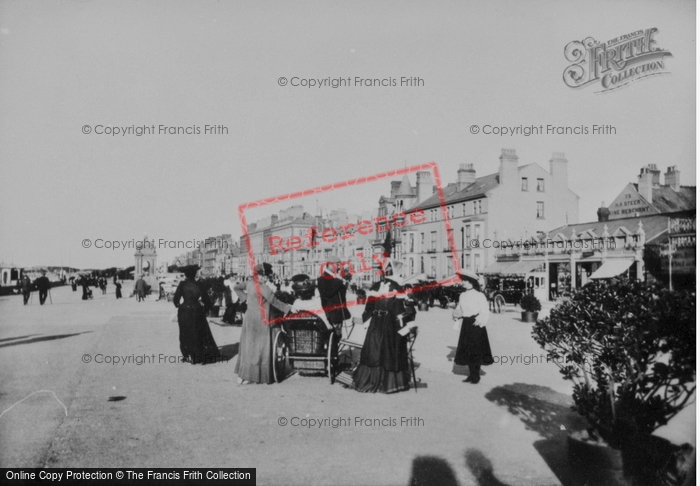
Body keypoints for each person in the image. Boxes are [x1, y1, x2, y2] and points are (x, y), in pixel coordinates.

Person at [352, 259, 416, 394]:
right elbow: (401, 311)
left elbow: (369, 306)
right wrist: (406, 326)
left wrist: (366, 319)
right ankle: (388, 383)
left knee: (375, 349)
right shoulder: (398, 287)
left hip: (377, 322)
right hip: (389, 324)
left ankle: (371, 381)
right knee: (388, 351)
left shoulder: (378, 285)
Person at [234, 263, 292, 385]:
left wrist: (245, 299)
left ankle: (244, 375)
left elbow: (236, 287)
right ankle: (255, 376)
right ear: (262, 276)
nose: (266, 278)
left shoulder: (249, 284)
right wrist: (288, 309)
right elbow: (275, 301)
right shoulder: (264, 288)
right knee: (261, 348)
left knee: (249, 346)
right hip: (262, 320)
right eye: (266, 276)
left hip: (250, 319)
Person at [172, 265, 221, 364]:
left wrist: (179, 305)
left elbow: (176, 298)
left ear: (186, 274)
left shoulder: (182, 284)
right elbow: (206, 300)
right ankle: (198, 355)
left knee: (184, 333)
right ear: (195, 274)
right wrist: (206, 310)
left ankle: (187, 355)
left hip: (184, 310)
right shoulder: (200, 284)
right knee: (198, 333)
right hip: (197, 310)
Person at [453, 269, 492, 384]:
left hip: (476, 324)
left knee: (476, 350)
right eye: (462, 280)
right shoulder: (462, 295)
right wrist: (456, 315)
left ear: (470, 281)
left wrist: (479, 320)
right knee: (467, 349)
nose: (462, 283)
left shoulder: (479, 295)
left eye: (464, 280)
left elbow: (485, 310)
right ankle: (471, 374)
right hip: (466, 324)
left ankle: (476, 375)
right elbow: (459, 308)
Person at [316, 255, 351, 338]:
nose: (339, 267)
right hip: (331, 314)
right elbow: (329, 292)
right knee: (332, 338)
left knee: (337, 337)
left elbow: (342, 295)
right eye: (337, 265)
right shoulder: (323, 279)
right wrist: (339, 281)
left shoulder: (335, 278)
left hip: (337, 314)